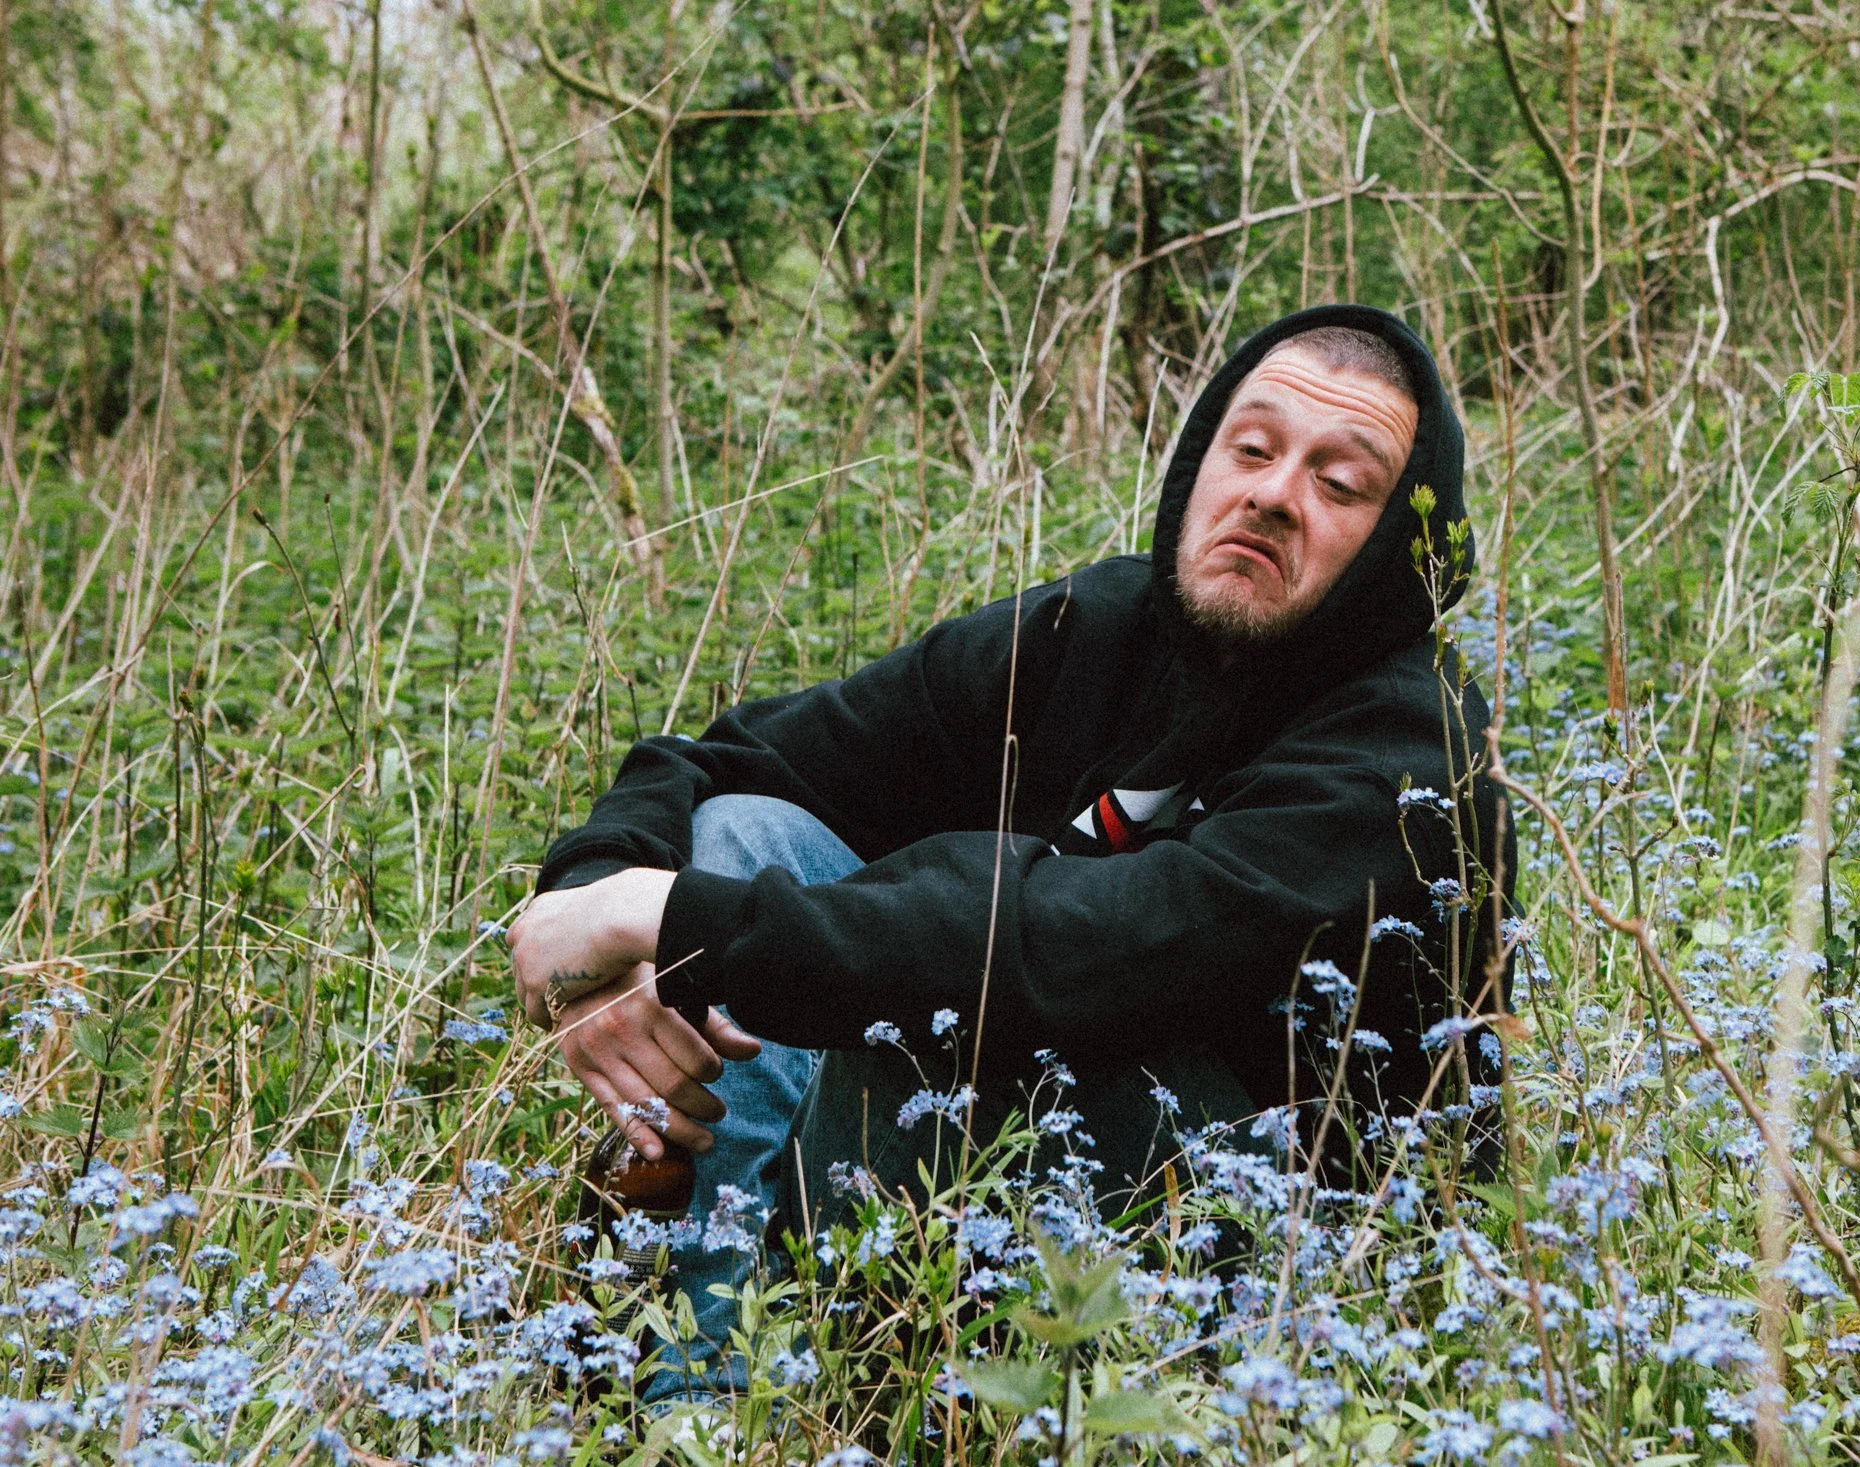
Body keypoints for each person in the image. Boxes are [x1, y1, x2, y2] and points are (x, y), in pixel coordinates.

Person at [508, 304, 1513, 1398]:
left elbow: (1075, 953)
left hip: (1283, 1256)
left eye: (1341, 484)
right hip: (1008, 1166)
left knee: (932, 998)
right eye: (1252, 447)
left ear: (1401, 548)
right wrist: (594, 900)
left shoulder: (1411, 752)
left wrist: (677, 922)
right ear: (1197, 465)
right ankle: (708, 1391)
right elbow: (734, 759)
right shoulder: (1100, 626)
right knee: (744, 836)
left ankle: (812, 1382)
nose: (1273, 495)